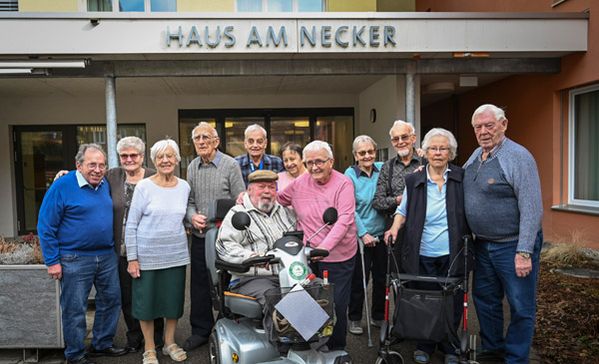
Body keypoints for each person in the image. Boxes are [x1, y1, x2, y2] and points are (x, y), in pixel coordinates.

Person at [54, 137, 165, 352]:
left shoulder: (155, 177)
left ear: (142, 157)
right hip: (120, 249)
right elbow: (87, 171)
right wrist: (66, 174)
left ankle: (157, 335)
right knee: (125, 296)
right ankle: (134, 335)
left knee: (152, 293)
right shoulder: (113, 176)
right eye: (124, 155)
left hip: (150, 247)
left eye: (134, 155)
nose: (129, 159)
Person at [463, 104, 543, 364]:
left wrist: (524, 251)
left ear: (504, 124)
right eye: (478, 127)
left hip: (512, 245)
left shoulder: (518, 157)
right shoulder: (476, 155)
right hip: (484, 245)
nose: (484, 132)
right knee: (485, 301)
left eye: (489, 125)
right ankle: (493, 351)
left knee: (520, 306)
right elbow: (456, 179)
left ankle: (516, 358)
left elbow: (532, 208)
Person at [384, 128, 470, 364]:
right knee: (424, 297)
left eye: (443, 148)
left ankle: (450, 345)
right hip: (422, 251)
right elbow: (403, 210)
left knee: (451, 299)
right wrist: (393, 228)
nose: (438, 152)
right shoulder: (414, 179)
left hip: (452, 251)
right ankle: (425, 343)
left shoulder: (460, 177)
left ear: (450, 153)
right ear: (426, 152)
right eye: (433, 148)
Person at [38, 144, 126, 364]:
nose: (97, 169)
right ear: (78, 165)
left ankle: (101, 344)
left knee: (111, 301)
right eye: (92, 164)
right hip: (73, 258)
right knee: (75, 308)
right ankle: (75, 355)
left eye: (102, 165)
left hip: (106, 256)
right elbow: (46, 225)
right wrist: (52, 261)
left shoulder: (105, 184)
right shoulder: (62, 185)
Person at [277, 140, 357, 351]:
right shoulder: (300, 182)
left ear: (331, 161)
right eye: (309, 162)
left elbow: (345, 220)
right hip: (307, 256)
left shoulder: (344, 183)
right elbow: (278, 199)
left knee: (336, 306)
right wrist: (247, 196)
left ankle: (337, 350)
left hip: (338, 256)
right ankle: (312, 349)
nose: (314, 167)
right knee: (305, 302)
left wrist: (323, 248)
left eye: (319, 161)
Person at [125, 139, 191, 364]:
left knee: (173, 302)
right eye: (160, 157)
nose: (165, 161)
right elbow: (131, 224)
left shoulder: (184, 186)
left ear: (177, 159)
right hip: (147, 256)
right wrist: (132, 258)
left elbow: (187, 214)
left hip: (176, 255)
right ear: (154, 160)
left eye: (170, 156)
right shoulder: (144, 186)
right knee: (146, 305)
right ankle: (150, 348)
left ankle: (170, 342)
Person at [184, 122, 245, 351]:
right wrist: (192, 217)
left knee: (227, 284)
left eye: (205, 137)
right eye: (197, 138)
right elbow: (189, 202)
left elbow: (241, 200)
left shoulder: (231, 165)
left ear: (216, 141)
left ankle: (230, 326)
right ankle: (200, 330)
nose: (201, 141)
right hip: (200, 236)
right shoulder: (191, 167)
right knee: (199, 286)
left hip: (226, 238)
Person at [216, 170, 297, 306]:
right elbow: (224, 246)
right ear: (249, 190)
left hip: (287, 275)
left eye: (271, 187)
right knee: (279, 301)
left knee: (319, 289)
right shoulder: (238, 213)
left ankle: (319, 327)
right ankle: (288, 326)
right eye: (261, 187)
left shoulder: (284, 212)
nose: (267, 191)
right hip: (251, 278)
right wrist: (253, 256)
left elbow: (295, 241)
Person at [344, 135, 387, 335]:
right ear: (355, 155)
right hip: (361, 236)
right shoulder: (350, 174)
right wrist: (363, 233)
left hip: (383, 235)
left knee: (381, 279)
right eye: (362, 153)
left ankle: (378, 316)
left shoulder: (383, 168)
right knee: (360, 280)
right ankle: (354, 318)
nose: (367, 155)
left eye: (370, 151)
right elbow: (350, 208)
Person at [373, 120, 422, 222]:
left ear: (413, 138)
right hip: (396, 225)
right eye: (395, 139)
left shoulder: (425, 162)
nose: (400, 142)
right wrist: (397, 200)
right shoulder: (387, 167)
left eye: (404, 137)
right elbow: (377, 202)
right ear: (392, 142)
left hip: (423, 224)